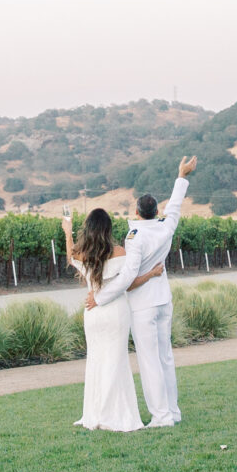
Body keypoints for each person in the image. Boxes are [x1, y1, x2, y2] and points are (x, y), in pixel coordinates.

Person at [97, 156, 196, 426]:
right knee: (165, 358)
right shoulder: (166, 228)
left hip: (143, 305)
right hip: (164, 299)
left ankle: (162, 416)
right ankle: (172, 411)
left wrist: (102, 296)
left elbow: (128, 276)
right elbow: (174, 207)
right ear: (154, 211)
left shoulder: (135, 237)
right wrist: (182, 175)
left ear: (138, 212)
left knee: (150, 361)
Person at [62, 209, 143, 432]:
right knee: (116, 362)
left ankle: (96, 413)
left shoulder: (81, 254)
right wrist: (153, 273)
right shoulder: (119, 252)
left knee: (96, 361)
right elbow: (129, 282)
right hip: (115, 310)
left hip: (93, 314)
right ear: (108, 229)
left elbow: (70, 256)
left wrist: (68, 232)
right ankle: (113, 413)